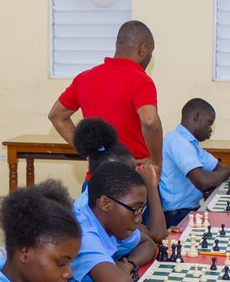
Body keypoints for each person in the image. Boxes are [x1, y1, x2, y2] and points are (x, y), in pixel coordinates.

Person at [48, 20, 163, 170]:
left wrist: (89, 152)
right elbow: (149, 120)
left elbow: (56, 115)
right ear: (143, 49)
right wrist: (155, 161)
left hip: (97, 178)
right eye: (150, 53)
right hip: (132, 179)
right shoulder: (141, 80)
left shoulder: (85, 78)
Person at [69, 162, 158, 282]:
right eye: (135, 209)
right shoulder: (82, 233)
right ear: (105, 203)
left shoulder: (113, 225)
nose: (139, 218)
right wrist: (117, 275)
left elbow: (148, 245)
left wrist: (127, 265)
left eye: (142, 210)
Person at [72, 117, 168, 242]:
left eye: (135, 169)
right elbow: (156, 235)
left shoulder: (117, 198)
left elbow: (150, 237)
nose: (136, 175)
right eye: (128, 173)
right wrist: (151, 186)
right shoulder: (94, 205)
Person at [159, 98, 230, 227]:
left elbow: (219, 168)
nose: (210, 129)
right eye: (209, 123)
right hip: (177, 216)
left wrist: (227, 172)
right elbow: (203, 182)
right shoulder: (177, 141)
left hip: (189, 211)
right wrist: (229, 171)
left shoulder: (192, 144)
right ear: (197, 116)